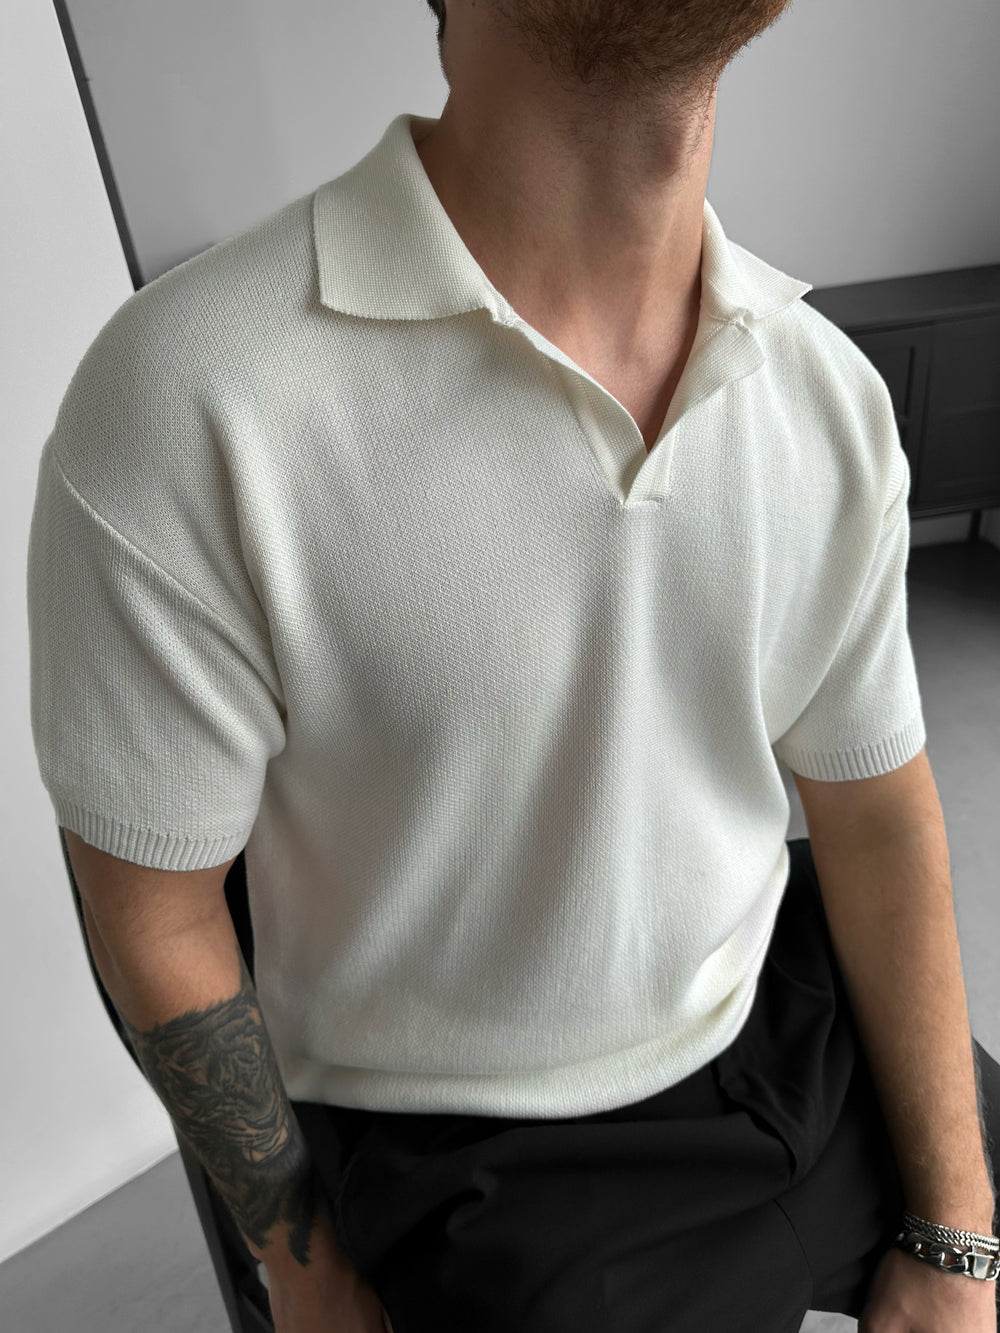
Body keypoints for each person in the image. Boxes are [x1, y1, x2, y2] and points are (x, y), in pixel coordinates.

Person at [27, 2, 998, 1331]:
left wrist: (957, 1235)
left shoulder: (826, 396)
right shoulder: (187, 401)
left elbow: (879, 813)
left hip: (780, 989)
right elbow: (154, 905)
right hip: (475, 1146)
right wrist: (303, 1270)